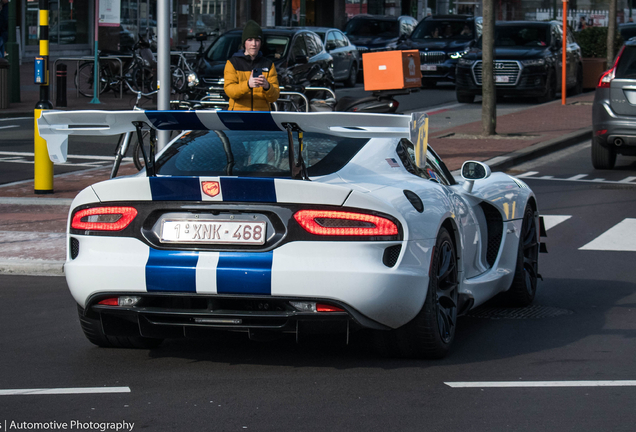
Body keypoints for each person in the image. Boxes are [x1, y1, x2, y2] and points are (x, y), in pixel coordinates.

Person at [223, 20, 279, 111]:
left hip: (262, 116)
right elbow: (230, 91)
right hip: (238, 115)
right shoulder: (233, 63)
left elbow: (274, 97)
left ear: (261, 43)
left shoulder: (268, 64)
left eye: (257, 40)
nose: (254, 44)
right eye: (250, 40)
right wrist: (248, 85)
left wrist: (267, 86)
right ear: (244, 43)